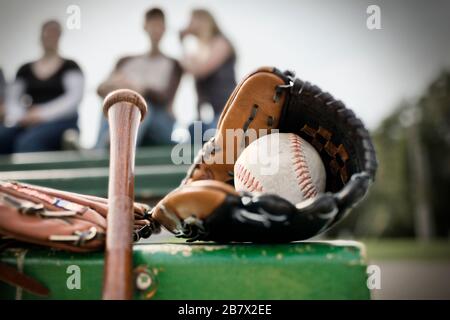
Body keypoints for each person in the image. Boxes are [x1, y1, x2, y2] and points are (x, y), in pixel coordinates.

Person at [96, 8, 182, 148]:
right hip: (123, 113)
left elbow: (165, 97)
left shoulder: (173, 64)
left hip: (158, 121)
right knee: (113, 103)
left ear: (165, 28)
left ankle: (115, 144)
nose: (155, 30)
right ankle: (101, 147)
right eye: (152, 24)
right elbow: (101, 89)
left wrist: (139, 89)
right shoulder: (125, 61)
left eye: (159, 25)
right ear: (145, 26)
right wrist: (118, 86)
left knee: (141, 106)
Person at [0, 20, 84, 154]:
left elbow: (72, 100)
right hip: (28, 121)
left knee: (28, 143)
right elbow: (13, 99)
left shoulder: (70, 66)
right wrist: (21, 116)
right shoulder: (25, 70)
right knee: (3, 138)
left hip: (62, 121)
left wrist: (41, 114)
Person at [180, 9, 236, 140]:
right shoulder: (200, 49)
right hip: (211, 113)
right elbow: (189, 69)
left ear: (202, 21)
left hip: (227, 110)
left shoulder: (221, 43)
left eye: (192, 20)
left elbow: (202, 70)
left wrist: (183, 45)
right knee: (193, 131)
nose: (188, 24)